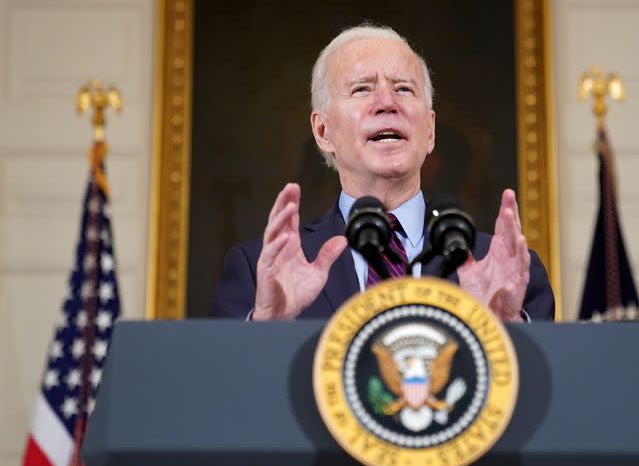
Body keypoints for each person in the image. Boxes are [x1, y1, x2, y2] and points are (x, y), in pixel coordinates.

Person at [212, 25, 554, 322]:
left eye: (404, 88)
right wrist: (267, 328)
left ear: (430, 130)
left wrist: (507, 331)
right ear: (323, 131)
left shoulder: (507, 274)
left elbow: (548, 389)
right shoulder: (259, 271)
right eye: (362, 89)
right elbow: (226, 389)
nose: (387, 102)